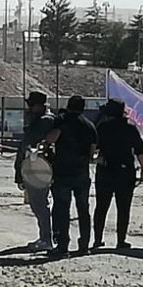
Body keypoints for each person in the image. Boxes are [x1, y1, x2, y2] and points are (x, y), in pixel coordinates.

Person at [46, 95, 98, 258]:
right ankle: (84, 245)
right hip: (81, 172)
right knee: (83, 209)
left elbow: (51, 138)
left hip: (63, 172)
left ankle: (63, 246)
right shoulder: (89, 125)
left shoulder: (62, 120)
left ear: (68, 106)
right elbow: (92, 151)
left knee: (62, 209)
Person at [92, 99, 143, 250]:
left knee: (101, 207)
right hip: (125, 171)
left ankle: (97, 240)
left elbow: (93, 148)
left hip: (105, 170)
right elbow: (140, 150)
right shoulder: (130, 128)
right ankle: (121, 241)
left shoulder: (102, 126)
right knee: (123, 208)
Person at [14, 91, 57, 252]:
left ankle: (47, 238)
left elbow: (30, 142)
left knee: (39, 203)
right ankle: (45, 236)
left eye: (31, 105)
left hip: (40, 167)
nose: (29, 108)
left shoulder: (45, 121)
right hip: (35, 166)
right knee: (38, 204)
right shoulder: (40, 120)